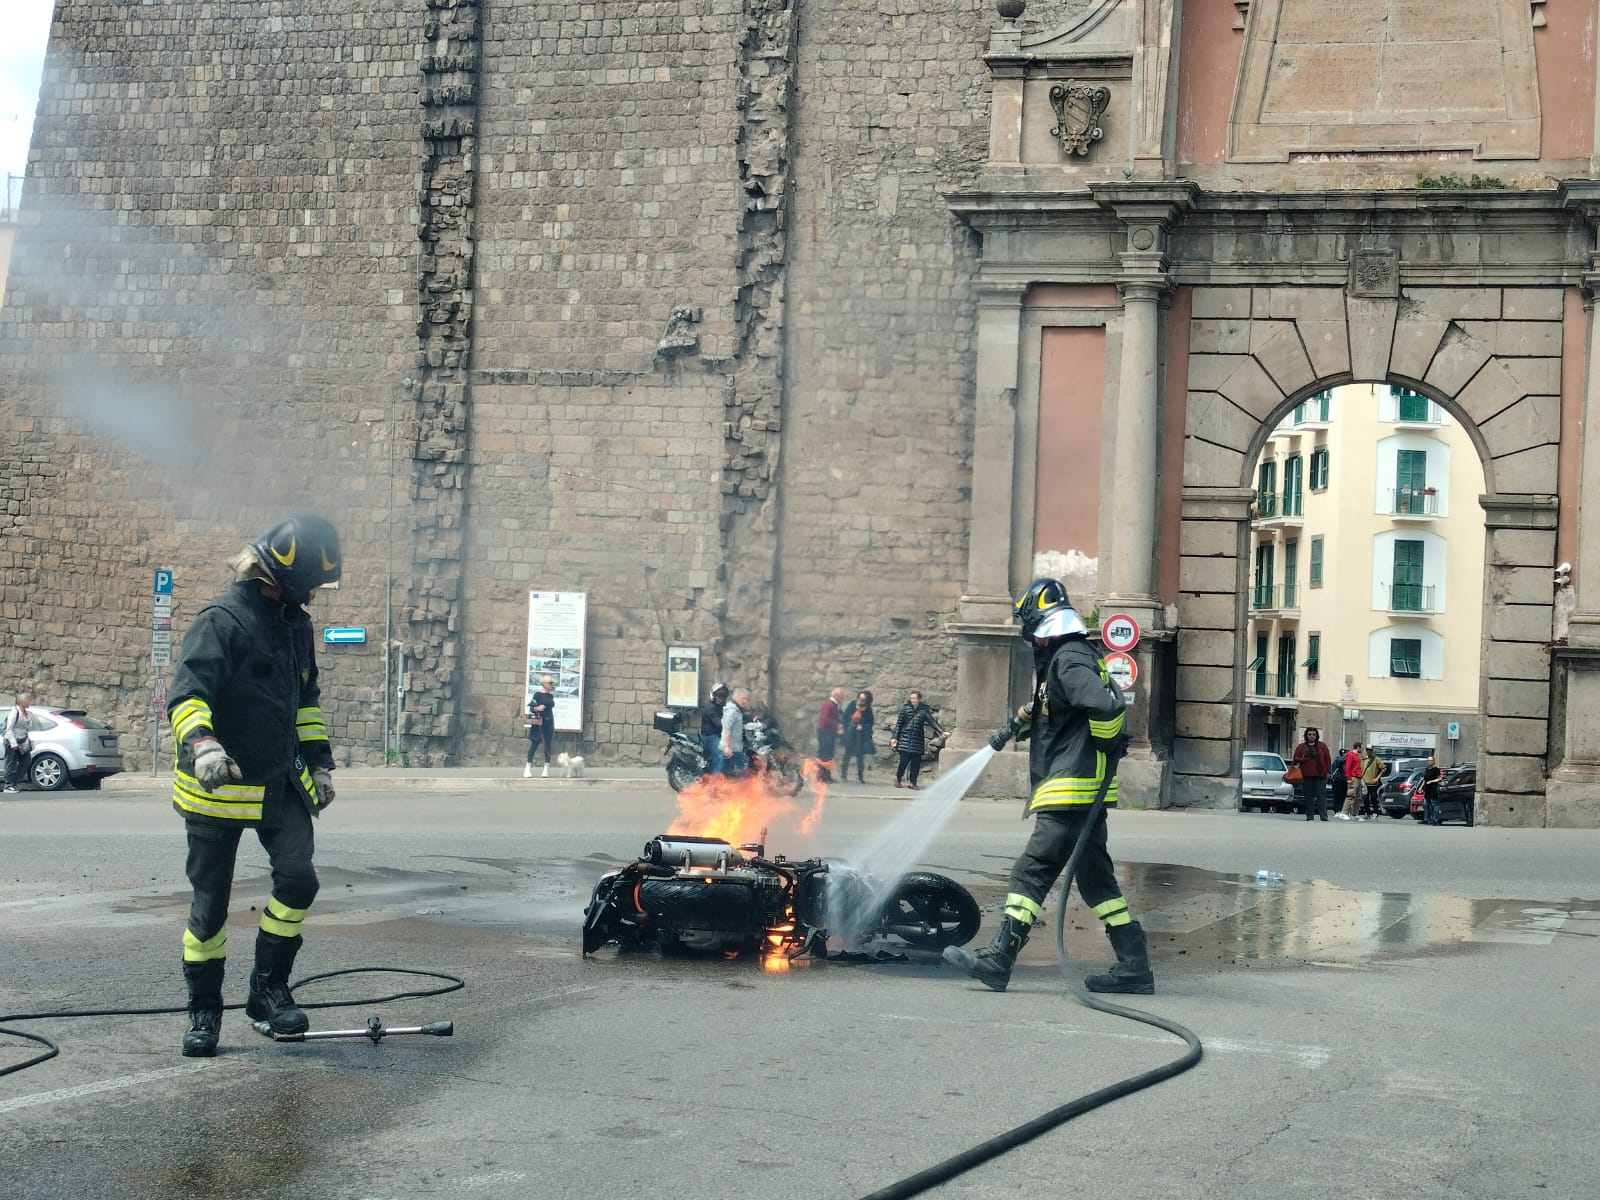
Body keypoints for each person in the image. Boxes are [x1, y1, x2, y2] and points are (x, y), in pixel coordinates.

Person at [167, 513, 342, 1058]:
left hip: (279, 782)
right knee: (210, 907)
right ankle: (204, 1010)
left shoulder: (297, 625)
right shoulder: (221, 621)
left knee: (298, 880)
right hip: (217, 785)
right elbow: (187, 695)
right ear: (286, 576)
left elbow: (304, 702)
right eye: (310, 582)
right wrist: (204, 746)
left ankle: (267, 991)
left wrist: (318, 762)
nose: (314, 592)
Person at [943, 578, 1146, 994]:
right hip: (1083, 792)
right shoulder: (1070, 657)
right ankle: (1135, 966)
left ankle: (999, 959)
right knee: (1098, 883)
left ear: (1039, 623)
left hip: (1070, 789)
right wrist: (1007, 731)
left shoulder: (1068, 660)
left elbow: (1106, 706)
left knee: (1030, 872)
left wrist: (1107, 742)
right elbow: (1045, 706)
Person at [890, 689, 939, 790]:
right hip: (904, 739)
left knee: (916, 764)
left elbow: (932, 722)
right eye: (911, 698)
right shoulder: (905, 709)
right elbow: (899, 725)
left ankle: (913, 782)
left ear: (919, 699)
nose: (912, 700)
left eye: (914, 698)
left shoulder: (924, 710)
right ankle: (898, 778)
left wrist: (942, 731)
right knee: (903, 761)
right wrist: (894, 738)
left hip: (917, 740)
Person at [1292, 726, 1332, 822]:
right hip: (1307, 775)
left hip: (1320, 775)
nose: (1311, 736)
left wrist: (1328, 772)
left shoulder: (1322, 746)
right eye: (1309, 734)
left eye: (1314, 734)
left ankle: (1324, 816)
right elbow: (1295, 759)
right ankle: (1310, 816)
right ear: (1306, 736)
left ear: (1317, 736)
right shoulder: (1301, 747)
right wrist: (1302, 759)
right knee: (1308, 796)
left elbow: (1328, 759)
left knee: (1321, 796)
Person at [839, 689, 875, 784]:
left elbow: (870, 723)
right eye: (859, 698)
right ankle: (843, 775)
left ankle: (860, 777)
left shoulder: (868, 710)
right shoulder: (852, 705)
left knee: (860, 757)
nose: (860, 700)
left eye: (863, 699)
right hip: (850, 735)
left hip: (860, 737)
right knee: (847, 755)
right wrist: (844, 727)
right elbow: (845, 717)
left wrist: (862, 726)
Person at [524, 675, 556, 778]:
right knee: (534, 745)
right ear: (544, 684)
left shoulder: (551, 696)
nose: (551, 685)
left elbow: (550, 705)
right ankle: (528, 768)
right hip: (538, 723)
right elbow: (532, 708)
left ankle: (546, 769)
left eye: (552, 683)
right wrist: (537, 708)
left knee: (547, 745)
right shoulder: (537, 695)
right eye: (550, 683)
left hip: (548, 723)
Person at [4, 692, 33, 793]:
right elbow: (9, 729)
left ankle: (15, 782)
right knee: (11, 763)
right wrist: (13, 743)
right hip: (12, 740)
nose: (30, 702)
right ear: (22, 701)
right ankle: (8, 785)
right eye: (28, 700)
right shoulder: (14, 712)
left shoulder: (26, 712)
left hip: (23, 741)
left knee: (26, 761)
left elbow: (26, 728)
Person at [815, 687, 845, 783]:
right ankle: (822, 776)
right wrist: (837, 725)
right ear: (836, 696)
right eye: (841, 696)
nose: (842, 698)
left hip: (827, 733)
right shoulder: (829, 705)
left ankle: (826, 776)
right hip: (825, 733)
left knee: (827, 754)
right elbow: (825, 720)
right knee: (825, 755)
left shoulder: (832, 705)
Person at [720, 686, 751, 775]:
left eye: (746, 699)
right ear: (736, 697)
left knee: (725, 773)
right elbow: (727, 729)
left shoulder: (737, 710)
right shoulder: (732, 711)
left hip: (735, 747)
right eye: (743, 698)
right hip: (731, 748)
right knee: (743, 772)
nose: (745, 701)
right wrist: (727, 747)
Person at [700, 682, 728, 777]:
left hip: (718, 735)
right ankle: (715, 783)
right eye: (719, 696)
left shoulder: (721, 706)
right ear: (714, 696)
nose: (721, 699)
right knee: (720, 756)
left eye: (723, 696)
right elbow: (719, 724)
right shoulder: (710, 708)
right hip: (710, 736)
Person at [1337, 742, 1364, 819]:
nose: (1362, 749)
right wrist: (1348, 778)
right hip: (1353, 777)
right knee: (1351, 795)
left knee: (1357, 797)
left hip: (1358, 777)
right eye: (1361, 747)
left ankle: (1355, 814)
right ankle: (1343, 812)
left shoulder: (1357, 755)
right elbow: (1347, 767)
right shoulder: (1350, 755)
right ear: (1358, 747)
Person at [1360, 746, 1386, 817]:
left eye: (1370, 750)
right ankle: (1368, 813)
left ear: (1372, 751)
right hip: (1364, 783)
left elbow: (1384, 768)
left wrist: (1377, 778)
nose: (1368, 751)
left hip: (1373, 783)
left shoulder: (1376, 759)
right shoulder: (1363, 759)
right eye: (1367, 750)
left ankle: (1375, 813)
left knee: (1373, 798)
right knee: (1365, 799)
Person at [1422, 755, 1443, 824]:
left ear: (1433, 761)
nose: (1430, 762)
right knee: (1426, 804)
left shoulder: (1436, 769)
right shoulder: (1426, 769)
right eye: (1428, 760)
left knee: (1435, 804)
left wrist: (1432, 781)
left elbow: (1440, 778)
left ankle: (1435, 819)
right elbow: (1424, 780)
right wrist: (1420, 787)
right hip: (1427, 790)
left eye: (1431, 760)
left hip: (1433, 789)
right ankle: (1426, 819)